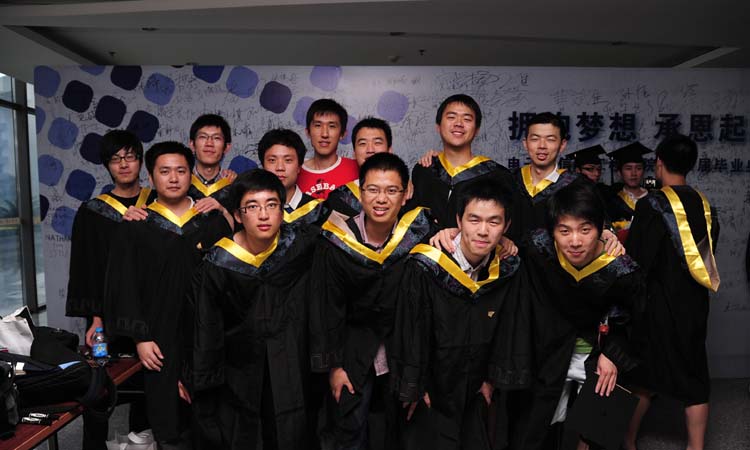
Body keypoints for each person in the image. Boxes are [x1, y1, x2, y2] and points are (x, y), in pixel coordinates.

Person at [103, 141, 232, 449]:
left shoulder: (213, 222)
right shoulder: (136, 226)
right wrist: (140, 338)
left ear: (191, 175)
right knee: (168, 420)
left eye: (181, 171)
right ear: (151, 177)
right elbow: (124, 286)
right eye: (164, 171)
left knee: (214, 420)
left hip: (209, 336)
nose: (173, 178)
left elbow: (232, 284)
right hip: (159, 337)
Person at [392, 179, 531, 450]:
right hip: (433, 393)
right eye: (474, 219)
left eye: (493, 222)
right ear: (458, 221)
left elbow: (509, 330)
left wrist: (491, 380)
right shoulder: (426, 268)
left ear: (506, 227)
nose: (483, 231)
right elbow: (412, 332)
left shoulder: (507, 270)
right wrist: (416, 386)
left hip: (477, 391)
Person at [309, 153, 435, 450]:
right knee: (350, 432)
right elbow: (326, 309)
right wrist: (334, 367)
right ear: (360, 192)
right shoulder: (335, 241)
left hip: (403, 353)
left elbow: (429, 312)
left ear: (405, 195)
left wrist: (422, 374)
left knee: (401, 434)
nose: (381, 199)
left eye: (391, 190)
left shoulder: (421, 237)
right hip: (352, 355)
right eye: (373, 189)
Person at [188, 169, 321, 450]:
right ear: (238, 215)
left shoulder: (301, 246)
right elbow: (206, 325)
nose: (263, 215)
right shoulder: (218, 262)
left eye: (271, 205)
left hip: (290, 365)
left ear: (282, 211)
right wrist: (201, 378)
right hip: (238, 370)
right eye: (252, 206)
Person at [512, 181, 642, 450]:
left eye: (585, 229)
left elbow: (634, 318)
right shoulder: (539, 250)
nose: (574, 241)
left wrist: (613, 353)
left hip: (597, 356)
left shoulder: (621, 270)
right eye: (564, 231)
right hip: (549, 353)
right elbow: (501, 246)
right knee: (536, 429)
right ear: (551, 231)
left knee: (598, 433)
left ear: (600, 228)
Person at [623, 135, 720, 450]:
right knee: (694, 376)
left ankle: (629, 441)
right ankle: (696, 446)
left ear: (659, 164)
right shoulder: (705, 206)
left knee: (644, 379)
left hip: (657, 305)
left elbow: (637, 259)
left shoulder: (651, 205)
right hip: (693, 304)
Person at [65, 129, 153, 449]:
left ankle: (141, 441)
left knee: (149, 384)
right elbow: (86, 269)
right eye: (116, 159)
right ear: (107, 165)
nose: (124, 164)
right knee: (100, 384)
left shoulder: (158, 203)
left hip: (150, 314)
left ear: (140, 161)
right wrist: (96, 320)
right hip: (107, 318)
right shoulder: (93, 212)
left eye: (130, 157)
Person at [407, 94, 519, 235]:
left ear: (477, 129)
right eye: (451, 117)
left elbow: (509, 228)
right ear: (438, 126)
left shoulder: (497, 175)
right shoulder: (424, 171)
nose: (458, 123)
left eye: (467, 119)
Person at [513, 112, 623, 254]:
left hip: (561, 264)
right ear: (525, 143)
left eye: (550, 139)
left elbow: (599, 221)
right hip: (514, 263)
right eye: (535, 139)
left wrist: (607, 231)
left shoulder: (578, 184)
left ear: (562, 144)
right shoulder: (510, 181)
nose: (542, 146)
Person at [258, 128, 328, 225]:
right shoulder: (253, 209)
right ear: (263, 166)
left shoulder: (319, 211)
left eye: (288, 160)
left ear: (299, 166)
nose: (280, 168)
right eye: (272, 160)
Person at [326, 117, 394, 216]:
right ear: (354, 153)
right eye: (363, 143)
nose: (370, 150)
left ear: (390, 150)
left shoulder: (405, 193)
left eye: (377, 143)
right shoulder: (341, 198)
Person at [297, 99, 359, 200]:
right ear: (308, 132)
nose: (324, 134)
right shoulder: (294, 172)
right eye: (318, 125)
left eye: (332, 126)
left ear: (343, 134)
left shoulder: (356, 169)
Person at [606, 142, 652, 239]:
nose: (633, 173)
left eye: (638, 168)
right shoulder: (612, 202)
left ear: (643, 171)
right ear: (619, 173)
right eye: (628, 168)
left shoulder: (654, 198)